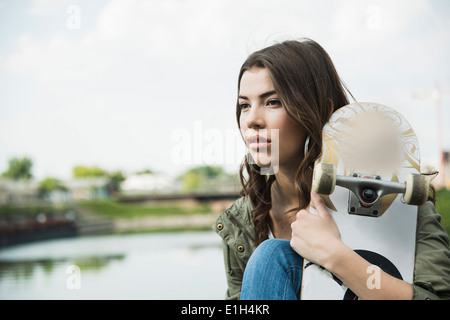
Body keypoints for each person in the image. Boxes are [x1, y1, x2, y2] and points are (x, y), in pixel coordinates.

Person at [214, 38, 450, 300]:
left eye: (273, 102)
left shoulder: (391, 196)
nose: (252, 121)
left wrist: (335, 256)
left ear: (322, 111)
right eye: (244, 105)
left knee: (271, 256)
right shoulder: (243, 220)